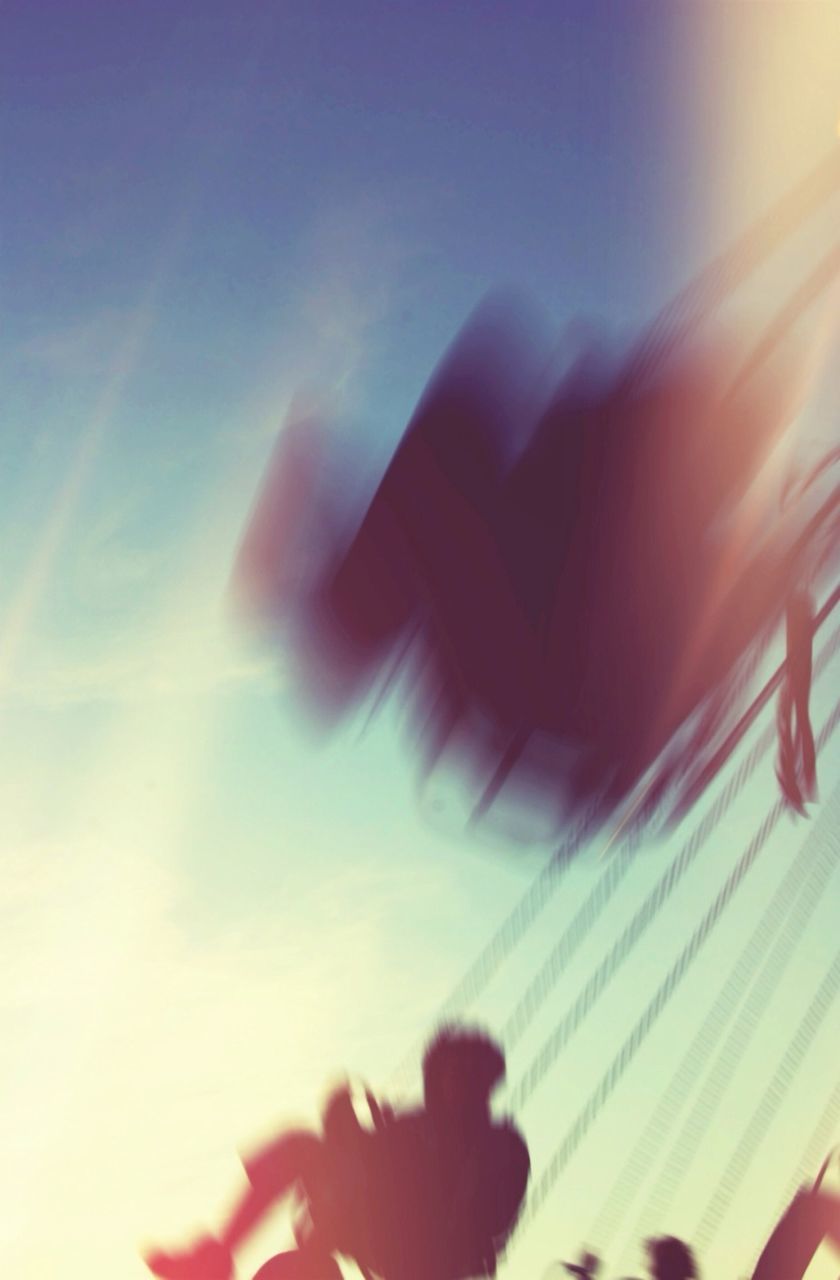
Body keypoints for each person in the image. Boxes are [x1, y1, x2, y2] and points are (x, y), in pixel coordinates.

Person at [144, 1026, 530, 1280]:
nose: (460, 1086)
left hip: (429, 1257)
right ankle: (215, 1258)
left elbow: (486, 1224)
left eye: (472, 1077)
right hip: (374, 1232)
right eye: (452, 1074)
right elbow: (365, 1157)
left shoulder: (501, 1147)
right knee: (300, 1147)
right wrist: (343, 1126)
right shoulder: (413, 1125)